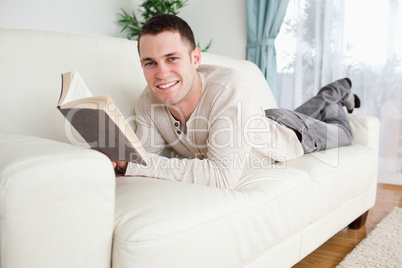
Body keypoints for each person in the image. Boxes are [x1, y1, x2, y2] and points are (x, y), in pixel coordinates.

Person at [112, 14, 360, 189]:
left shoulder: (229, 88)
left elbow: (222, 177)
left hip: (291, 134)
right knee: (299, 112)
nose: (162, 74)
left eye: (172, 58)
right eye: (150, 63)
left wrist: (132, 164)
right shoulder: (147, 101)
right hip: (260, 120)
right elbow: (146, 160)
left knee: (343, 133)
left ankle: (338, 94)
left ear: (195, 57)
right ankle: (333, 95)